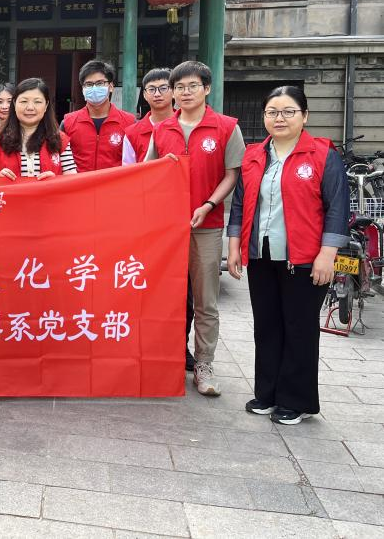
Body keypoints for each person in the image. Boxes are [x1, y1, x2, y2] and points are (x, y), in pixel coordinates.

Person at [227, 86, 348, 425]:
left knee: (299, 327)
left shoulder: (322, 155)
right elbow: (239, 204)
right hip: (262, 255)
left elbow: (337, 207)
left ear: (304, 116)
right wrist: (234, 245)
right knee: (267, 326)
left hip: (305, 257)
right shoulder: (254, 155)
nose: (279, 118)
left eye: (288, 111)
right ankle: (267, 393)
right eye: (272, 112)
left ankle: (296, 401)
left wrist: (327, 254)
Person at [146, 61, 245, 397]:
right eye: (179, 87)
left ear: (207, 88)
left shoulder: (226, 127)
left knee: (205, 301)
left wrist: (209, 205)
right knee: (166, 297)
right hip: (167, 229)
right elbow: (146, 173)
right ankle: (169, 358)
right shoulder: (162, 130)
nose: (185, 93)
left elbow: (232, 174)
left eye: (192, 86)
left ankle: (204, 364)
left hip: (207, 226)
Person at [0, 78, 77, 179]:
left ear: (46, 105)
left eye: (37, 102)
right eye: (24, 101)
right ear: (14, 104)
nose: (30, 107)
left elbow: (72, 181)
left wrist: (55, 181)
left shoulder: (61, 140)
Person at [62, 60, 136, 171]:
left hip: (114, 182)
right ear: (83, 89)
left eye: (100, 83)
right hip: (79, 182)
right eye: (89, 84)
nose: (94, 88)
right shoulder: (68, 122)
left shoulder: (129, 122)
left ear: (111, 86)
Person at [122, 68, 174, 166]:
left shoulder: (186, 126)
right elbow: (129, 170)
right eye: (151, 89)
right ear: (144, 95)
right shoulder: (132, 133)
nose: (157, 94)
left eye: (163, 88)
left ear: (174, 91)